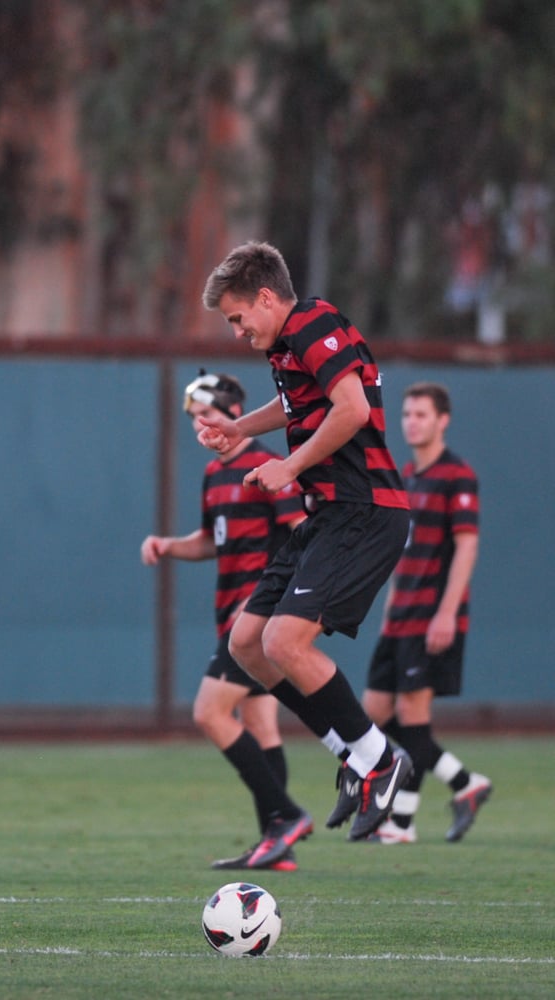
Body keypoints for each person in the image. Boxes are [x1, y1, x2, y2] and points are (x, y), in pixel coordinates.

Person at [198, 240, 412, 870]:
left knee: (286, 643)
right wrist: (242, 430)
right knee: (248, 642)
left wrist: (287, 466)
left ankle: (381, 759)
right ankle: (353, 754)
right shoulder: (288, 344)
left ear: (267, 297)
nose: (238, 332)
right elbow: (299, 407)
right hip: (329, 516)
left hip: (366, 510)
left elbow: (350, 410)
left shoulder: (313, 322)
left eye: (239, 318)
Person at [141, 370, 306, 871]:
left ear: (237, 416)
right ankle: (277, 847)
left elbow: (304, 539)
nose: (201, 429)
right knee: (260, 725)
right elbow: (213, 542)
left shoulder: (270, 467)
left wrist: (263, 603)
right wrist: (170, 546)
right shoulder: (215, 474)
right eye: (193, 420)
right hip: (230, 619)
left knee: (208, 714)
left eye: (208, 417)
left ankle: (287, 815)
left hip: (257, 623)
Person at [353, 381, 492, 844]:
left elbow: (468, 547)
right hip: (400, 618)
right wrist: (388, 610)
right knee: (373, 714)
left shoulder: (457, 475)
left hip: (434, 615)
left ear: (442, 420)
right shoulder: (407, 476)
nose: (411, 421)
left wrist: (447, 613)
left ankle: (402, 823)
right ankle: (463, 783)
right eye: (407, 414)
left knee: (413, 716)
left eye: (421, 414)